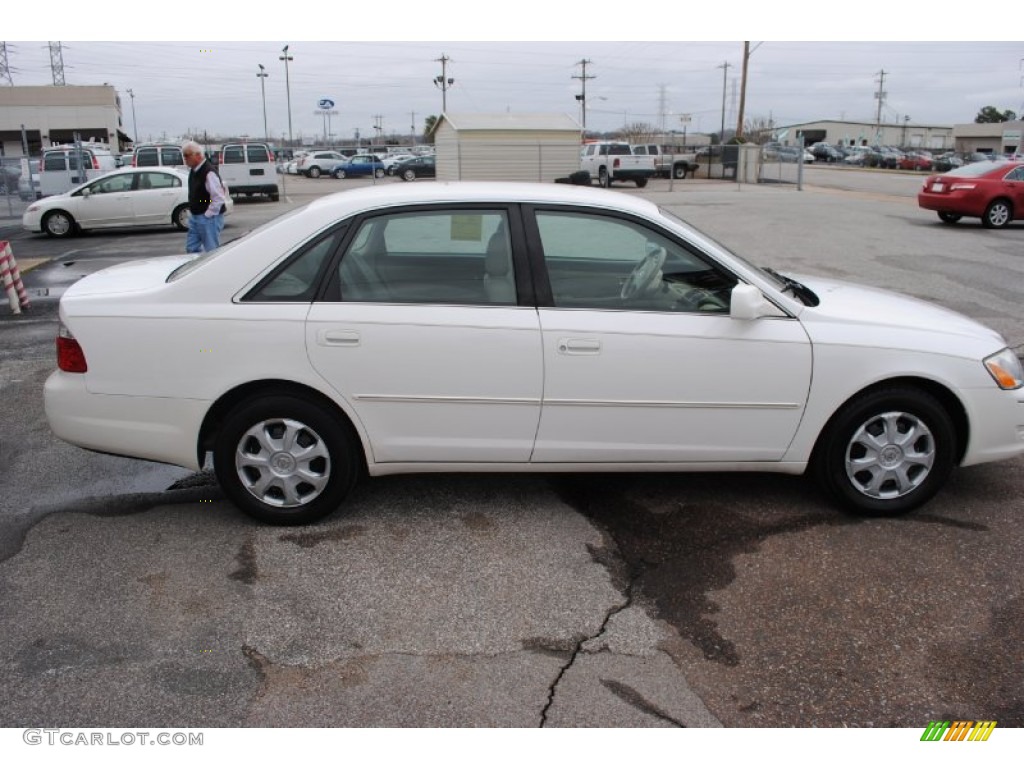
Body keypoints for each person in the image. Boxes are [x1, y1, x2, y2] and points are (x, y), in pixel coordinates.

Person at [182, 140, 227, 253]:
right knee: (192, 248)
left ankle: (214, 270)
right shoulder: (194, 171)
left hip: (208, 218)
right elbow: (204, 197)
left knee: (211, 250)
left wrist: (207, 215)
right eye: (184, 155)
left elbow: (218, 198)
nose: (185, 158)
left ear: (197, 155)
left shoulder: (208, 172)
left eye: (187, 155)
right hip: (196, 217)